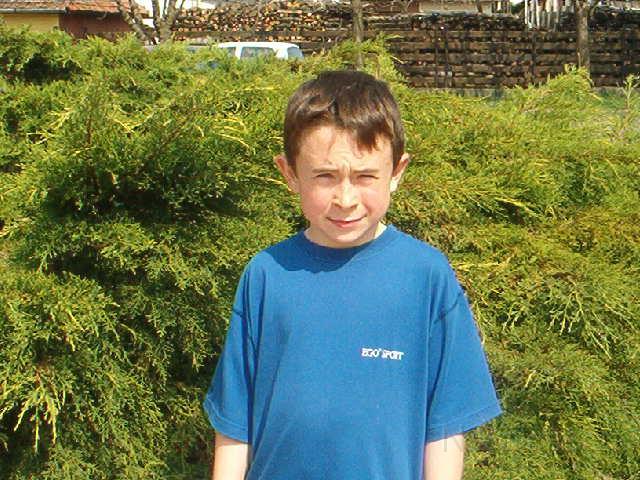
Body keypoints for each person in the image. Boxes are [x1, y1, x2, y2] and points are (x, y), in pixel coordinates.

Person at [203, 70, 502, 480]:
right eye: (324, 176)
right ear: (290, 173)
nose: (345, 199)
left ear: (397, 172)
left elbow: (446, 429)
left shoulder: (426, 276)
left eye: (365, 177)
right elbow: (234, 426)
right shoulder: (266, 274)